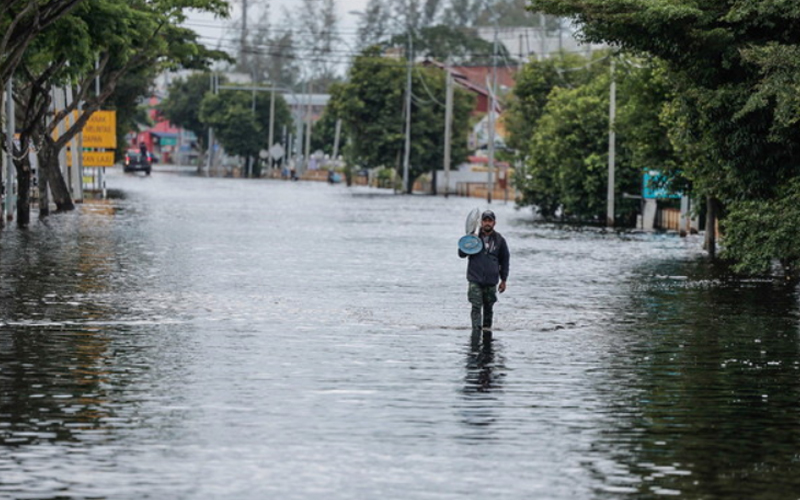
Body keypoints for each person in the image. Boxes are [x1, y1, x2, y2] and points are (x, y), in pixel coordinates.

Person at [458, 210, 510, 335]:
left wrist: (504, 280)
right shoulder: (474, 237)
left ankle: (487, 333)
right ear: (481, 222)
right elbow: (461, 254)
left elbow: (505, 260)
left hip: (491, 281)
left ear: (494, 223)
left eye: (490, 221)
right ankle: (476, 332)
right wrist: (469, 241)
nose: (487, 223)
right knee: (476, 307)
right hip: (475, 279)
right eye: (485, 220)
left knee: (489, 308)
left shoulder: (500, 240)